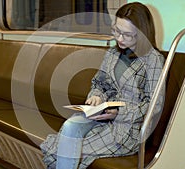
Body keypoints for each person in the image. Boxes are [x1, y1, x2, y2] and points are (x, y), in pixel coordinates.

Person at [40, 2, 165, 169]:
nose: (119, 39)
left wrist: (119, 113)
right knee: (70, 126)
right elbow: (100, 82)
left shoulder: (153, 60)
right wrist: (96, 96)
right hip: (101, 115)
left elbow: (154, 106)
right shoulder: (113, 53)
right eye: (117, 31)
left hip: (127, 129)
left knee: (65, 148)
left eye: (127, 35)